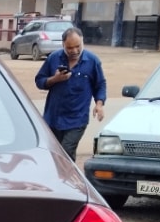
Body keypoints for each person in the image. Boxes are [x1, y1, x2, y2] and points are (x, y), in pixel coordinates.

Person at [34, 27, 106, 161]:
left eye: (77, 46)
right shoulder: (54, 58)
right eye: (69, 48)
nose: (74, 51)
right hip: (53, 119)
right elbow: (39, 81)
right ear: (63, 45)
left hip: (76, 120)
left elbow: (100, 84)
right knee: (54, 154)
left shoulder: (92, 61)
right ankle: (67, 178)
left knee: (65, 151)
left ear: (82, 41)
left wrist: (99, 104)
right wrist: (55, 79)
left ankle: (66, 178)